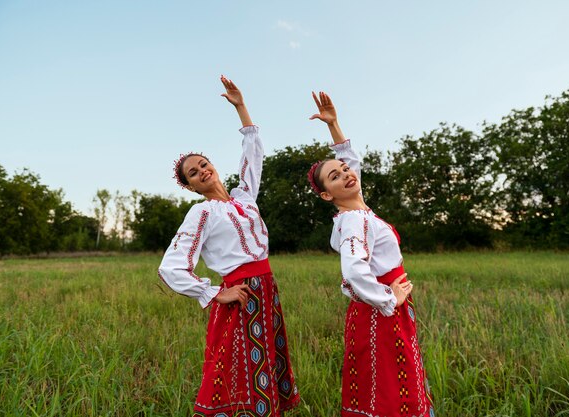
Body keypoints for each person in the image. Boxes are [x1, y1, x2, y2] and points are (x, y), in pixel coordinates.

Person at [158, 76, 299, 417]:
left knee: (266, 358)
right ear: (191, 186)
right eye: (193, 173)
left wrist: (240, 107)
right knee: (235, 369)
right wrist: (214, 293)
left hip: (267, 288)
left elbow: (254, 156)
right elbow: (170, 266)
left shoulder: (244, 197)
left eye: (203, 164)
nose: (202, 171)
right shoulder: (202, 212)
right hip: (241, 294)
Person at [307, 91, 434, 417]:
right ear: (326, 195)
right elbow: (353, 271)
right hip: (381, 314)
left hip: (382, 311)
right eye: (334, 177)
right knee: (390, 391)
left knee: (388, 384)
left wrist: (334, 125)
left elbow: (351, 162)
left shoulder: (360, 212)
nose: (346, 174)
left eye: (345, 170)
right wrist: (388, 298)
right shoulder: (353, 221)